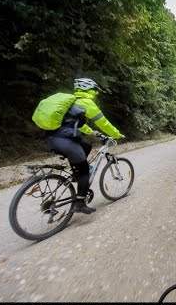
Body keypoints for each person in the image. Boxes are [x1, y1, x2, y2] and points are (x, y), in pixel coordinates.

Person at [45, 78, 125, 214]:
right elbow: (103, 122)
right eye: (94, 91)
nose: (95, 94)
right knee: (84, 171)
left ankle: (77, 173)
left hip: (52, 139)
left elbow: (78, 125)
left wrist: (94, 133)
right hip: (66, 141)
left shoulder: (70, 104)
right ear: (90, 90)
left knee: (86, 146)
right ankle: (80, 202)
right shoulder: (86, 102)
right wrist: (117, 134)